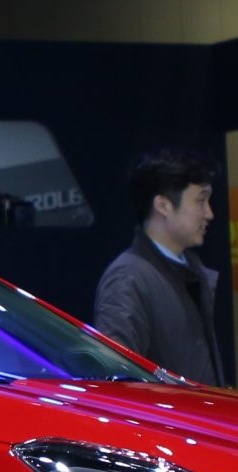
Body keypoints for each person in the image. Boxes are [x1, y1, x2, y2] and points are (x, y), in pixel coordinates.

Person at [91, 150, 223, 384]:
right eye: (200, 201)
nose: (209, 214)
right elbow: (117, 381)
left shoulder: (190, 274)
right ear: (163, 205)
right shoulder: (128, 279)